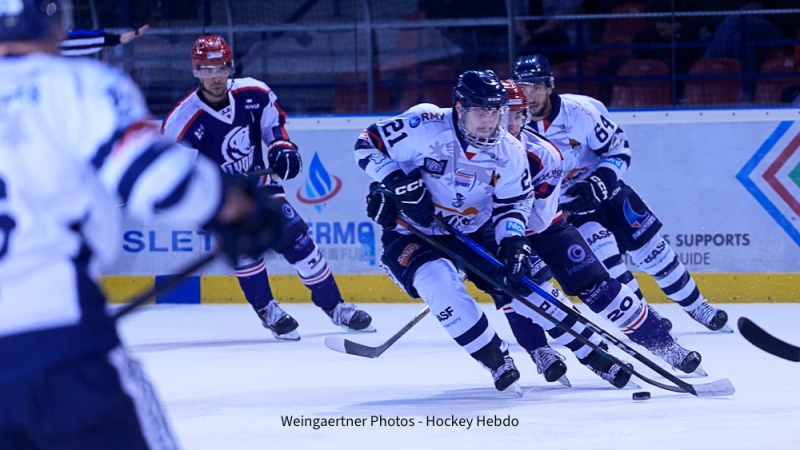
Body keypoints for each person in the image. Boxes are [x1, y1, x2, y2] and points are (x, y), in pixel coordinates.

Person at [0, 1, 288, 447]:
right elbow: (154, 177)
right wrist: (234, 207)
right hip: (60, 344)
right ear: (57, 25)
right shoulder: (73, 85)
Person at [355, 69, 630, 392]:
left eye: (496, 111)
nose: (489, 121)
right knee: (440, 286)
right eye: (481, 111)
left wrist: (514, 241)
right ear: (459, 108)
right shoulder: (424, 124)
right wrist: (393, 180)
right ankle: (496, 360)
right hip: (414, 230)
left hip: (475, 231)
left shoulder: (510, 151)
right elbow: (367, 143)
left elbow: (514, 203)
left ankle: (597, 355)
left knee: (526, 288)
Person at [162, 35, 374, 340]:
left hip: (260, 187)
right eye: (207, 69)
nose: (216, 76)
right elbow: (178, 172)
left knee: (301, 244)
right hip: (220, 202)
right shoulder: (182, 120)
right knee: (247, 252)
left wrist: (281, 148)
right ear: (196, 71)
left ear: (230, 66)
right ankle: (267, 309)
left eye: (221, 67)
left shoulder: (254, 93)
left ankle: (336, 307)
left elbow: (274, 129)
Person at [511, 54, 731, 333]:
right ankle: (647, 317)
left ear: (550, 86)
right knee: (607, 263)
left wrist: (601, 180)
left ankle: (699, 307)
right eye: (524, 87)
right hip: (567, 209)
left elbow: (619, 148)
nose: (530, 95)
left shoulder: (582, 111)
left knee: (655, 252)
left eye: (537, 87)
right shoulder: (511, 126)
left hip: (609, 194)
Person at [500, 79, 702, 379]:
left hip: (542, 226)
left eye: (519, 115)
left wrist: (516, 235)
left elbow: (540, 219)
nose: (512, 123)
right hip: (491, 236)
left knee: (599, 285)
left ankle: (666, 346)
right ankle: (564, 353)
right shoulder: (458, 150)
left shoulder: (544, 154)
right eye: (505, 115)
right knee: (519, 291)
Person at [59, 24, 149, 56]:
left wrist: (135, 34)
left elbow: (119, 39)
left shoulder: (94, 40)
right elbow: (119, 39)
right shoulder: (92, 39)